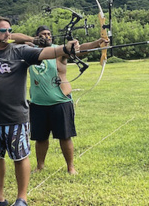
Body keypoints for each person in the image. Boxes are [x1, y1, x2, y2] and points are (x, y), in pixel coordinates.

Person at [0, 17, 80, 206]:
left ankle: (22, 197)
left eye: (9, 30)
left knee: (20, 157)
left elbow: (49, 52)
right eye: (2, 30)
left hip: (16, 115)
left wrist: (66, 48)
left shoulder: (21, 52)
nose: (7, 34)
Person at [15, 26, 107, 175]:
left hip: (60, 101)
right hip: (38, 103)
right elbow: (13, 39)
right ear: (37, 37)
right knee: (40, 138)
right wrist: (31, 41)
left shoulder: (58, 51)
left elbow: (80, 49)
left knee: (65, 137)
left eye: (49, 34)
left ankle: (70, 167)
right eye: (43, 34)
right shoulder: (30, 52)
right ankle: (40, 166)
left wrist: (98, 42)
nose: (47, 36)